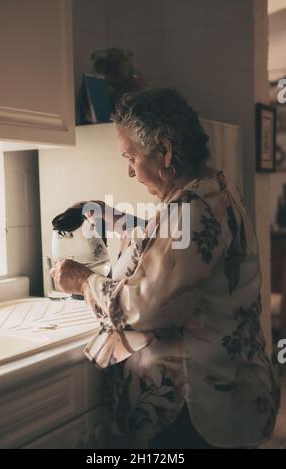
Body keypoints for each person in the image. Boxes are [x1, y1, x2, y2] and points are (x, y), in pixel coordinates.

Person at [50, 88, 279, 449]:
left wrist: (82, 281)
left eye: (131, 156)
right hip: (231, 390)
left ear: (166, 152)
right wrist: (109, 215)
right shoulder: (215, 189)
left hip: (195, 410)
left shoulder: (190, 207)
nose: (128, 171)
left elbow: (141, 308)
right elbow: (174, 246)